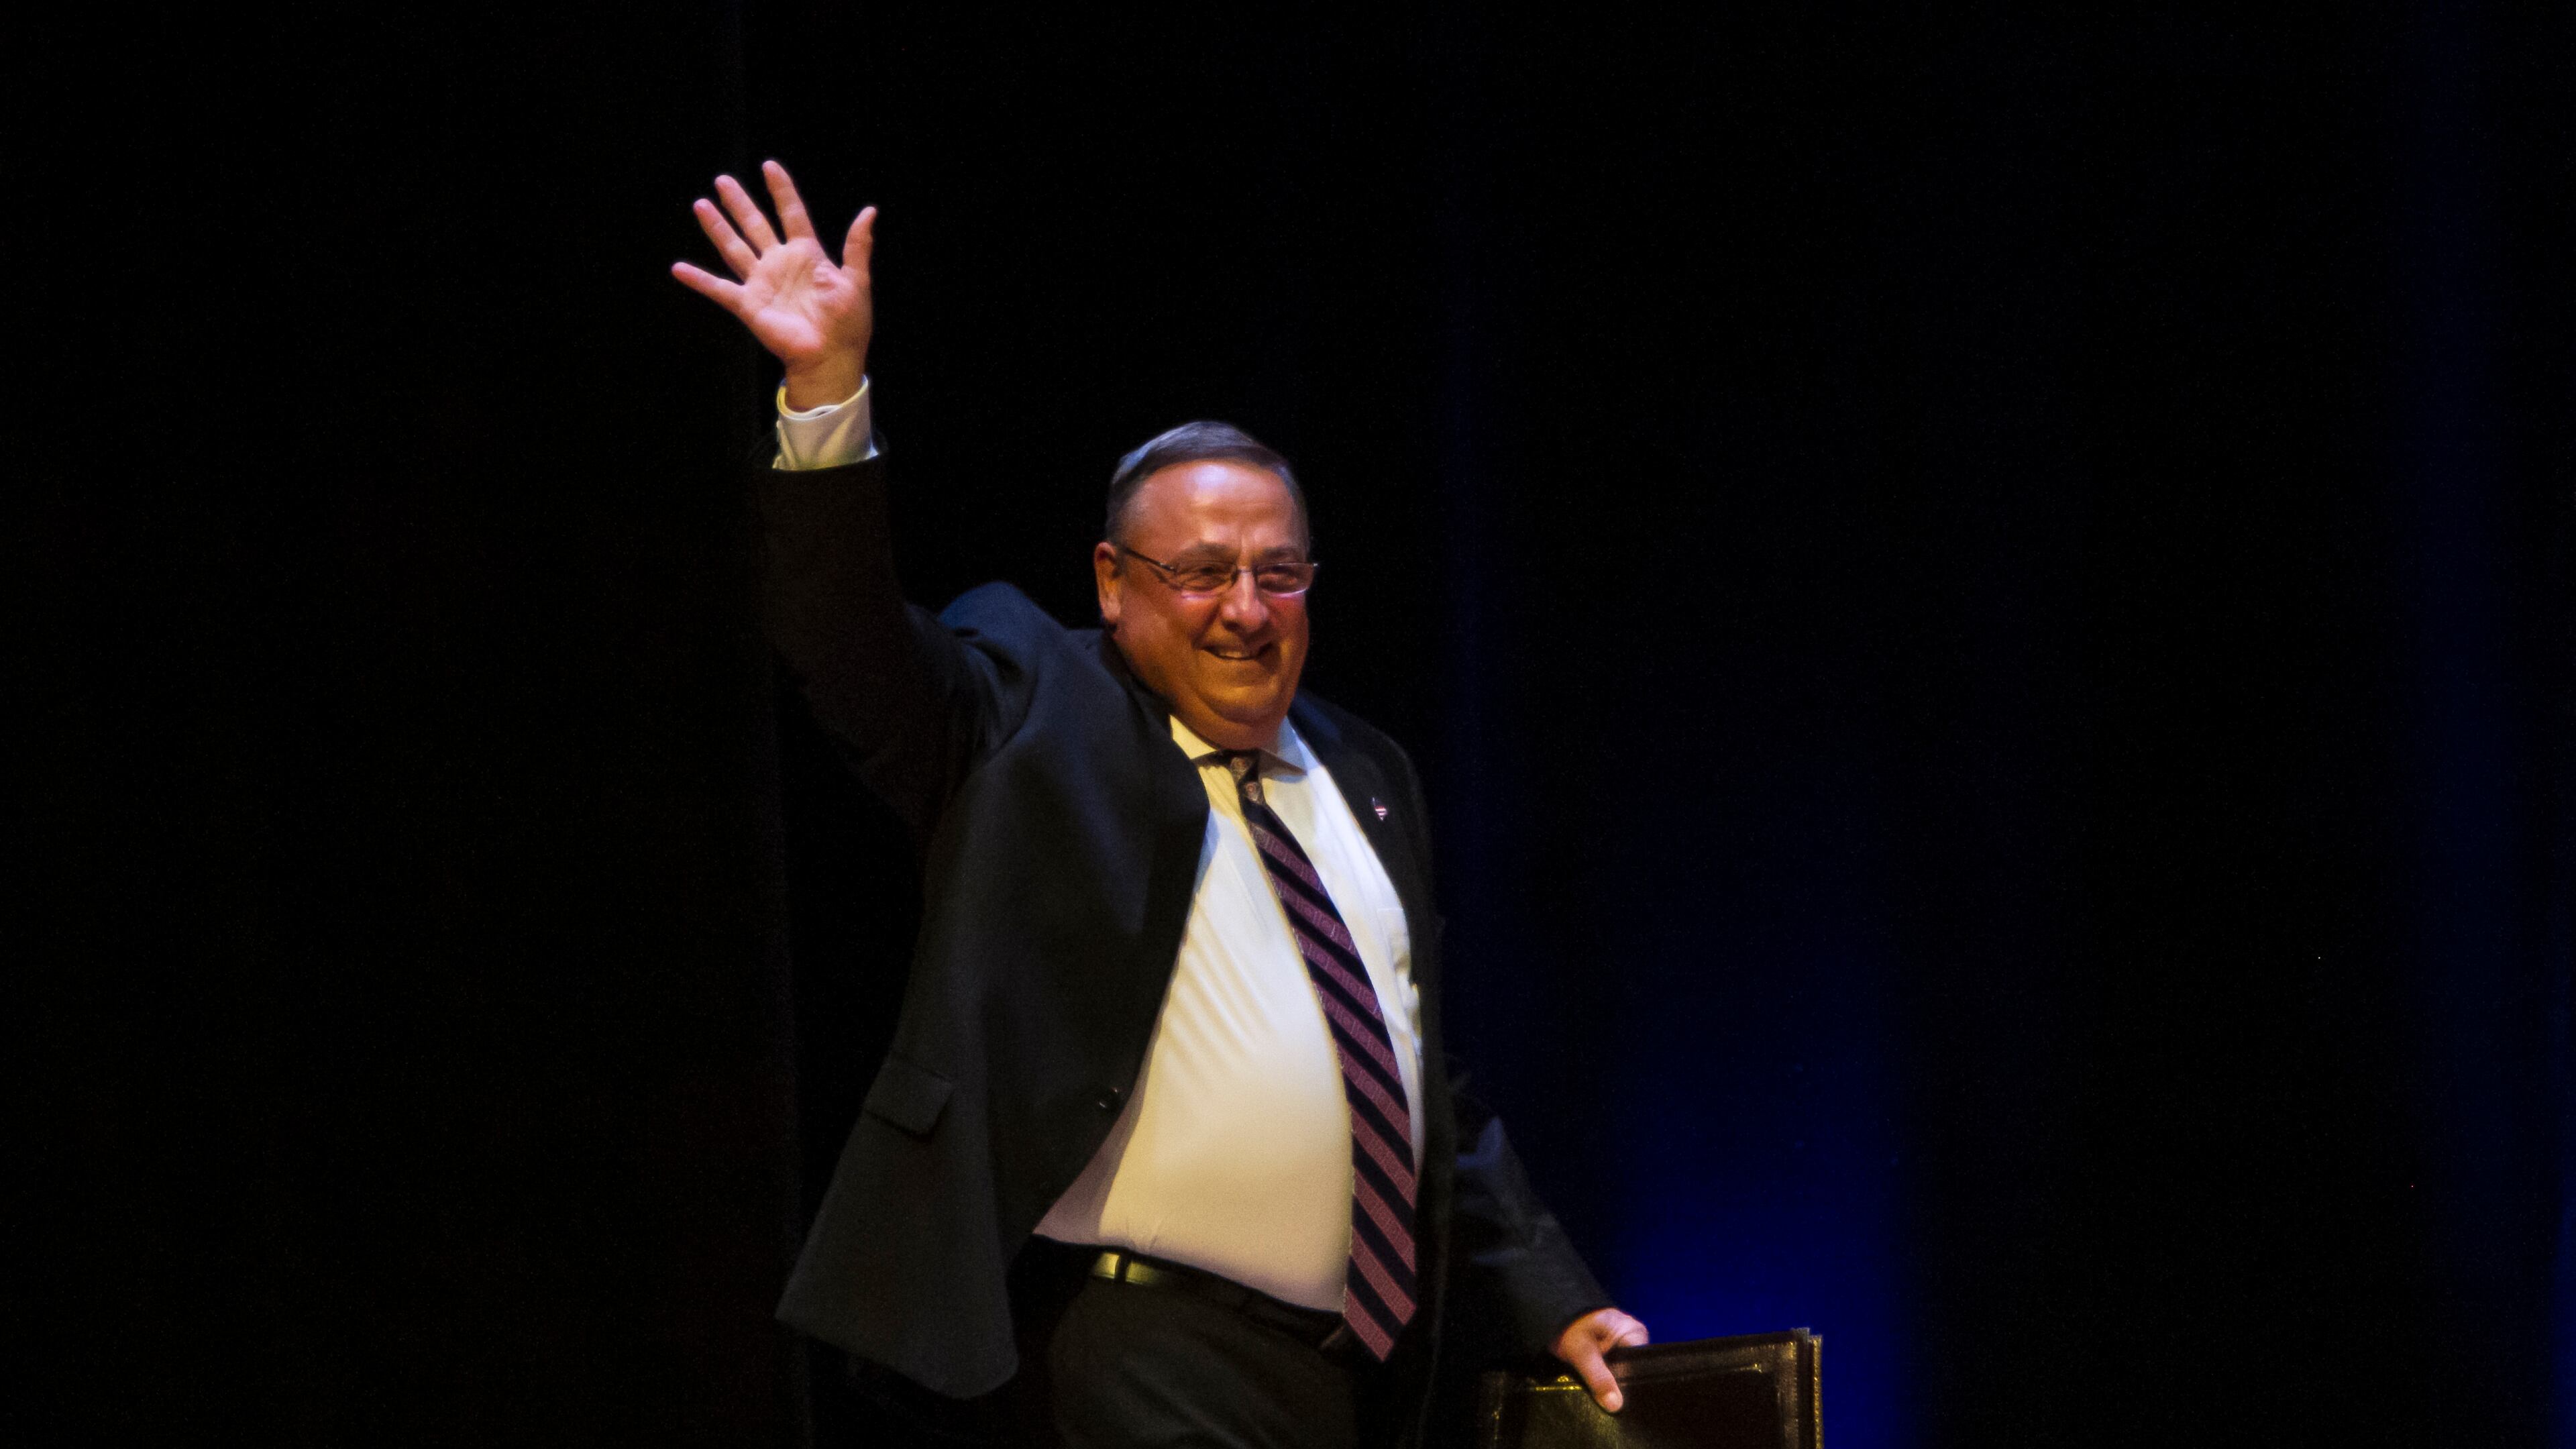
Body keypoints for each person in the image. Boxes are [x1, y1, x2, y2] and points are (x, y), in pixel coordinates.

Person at [674, 160, 1648, 1449]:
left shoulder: (1363, 771)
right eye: (1201, 572)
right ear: (1114, 582)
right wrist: (824, 394)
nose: (1246, 608)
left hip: (1342, 1380)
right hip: (1120, 1352)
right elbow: (850, 646)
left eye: (1278, 572)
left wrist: (1549, 1300)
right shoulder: (1032, 704)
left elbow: (1419, 1082)